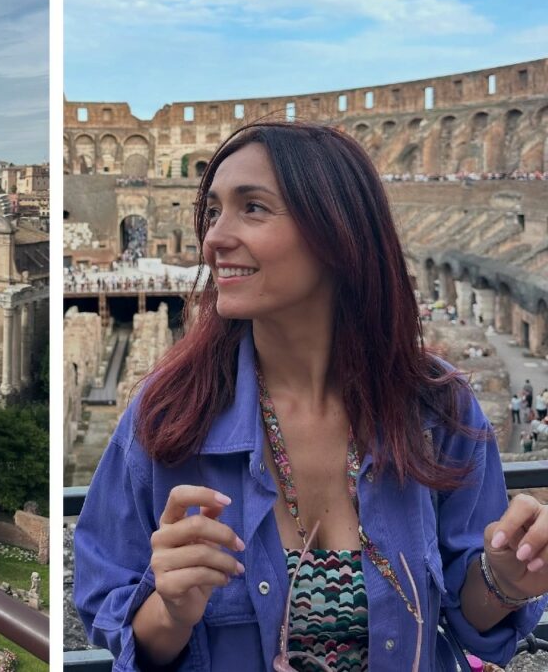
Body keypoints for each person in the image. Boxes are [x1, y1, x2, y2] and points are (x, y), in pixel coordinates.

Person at [73, 122, 548, 671]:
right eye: (213, 211)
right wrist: (172, 610)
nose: (215, 238)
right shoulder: (166, 415)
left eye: (253, 208)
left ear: (336, 232)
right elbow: (115, 623)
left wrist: (507, 580)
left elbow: (473, 617)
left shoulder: (438, 405)